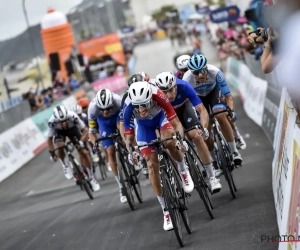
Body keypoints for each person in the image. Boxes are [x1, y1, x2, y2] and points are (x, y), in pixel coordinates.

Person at [123, 81, 194, 231]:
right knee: (151, 164)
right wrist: (132, 152)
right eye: (138, 106)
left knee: (169, 143)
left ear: (151, 98)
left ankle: (183, 170)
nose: (141, 110)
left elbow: (177, 124)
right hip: (143, 127)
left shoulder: (159, 95)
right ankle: (165, 210)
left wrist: (180, 141)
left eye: (144, 105)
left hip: (161, 118)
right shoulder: (128, 106)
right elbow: (129, 138)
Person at [155, 71, 223, 187]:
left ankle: (212, 177)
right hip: (168, 116)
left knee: (196, 135)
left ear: (176, 86)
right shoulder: (156, 98)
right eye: (165, 92)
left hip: (184, 109)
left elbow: (202, 110)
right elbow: (156, 122)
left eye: (171, 90)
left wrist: (204, 128)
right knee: (169, 142)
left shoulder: (184, 86)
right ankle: (181, 171)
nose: (169, 95)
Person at [183, 54, 245, 172]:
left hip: (213, 92)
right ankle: (214, 160)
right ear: (191, 72)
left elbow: (228, 96)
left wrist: (231, 111)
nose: (200, 75)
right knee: (204, 128)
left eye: (202, 71)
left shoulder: (215, 72)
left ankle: (234, 152)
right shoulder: (186, 79)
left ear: (206, 68)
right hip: (198, 99)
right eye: (196, 73)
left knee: (220, 114)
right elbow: (188, 104)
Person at [47, 106, 100, 191]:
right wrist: (52, 152)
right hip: (59, 132)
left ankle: (91, 178)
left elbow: (85, 130)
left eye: (65, 120)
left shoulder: (73, 116)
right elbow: (49, 139)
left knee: (85, 153)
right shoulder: (52, 121)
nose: (63, 123)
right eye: (61, 122)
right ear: (56, 120)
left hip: (72, 130)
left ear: (68, 117)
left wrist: (81, 142)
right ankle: (65, 165)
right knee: (60, 145)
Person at [88, 89, 127, 203]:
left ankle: (131, 153)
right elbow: (91, 132)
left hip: (118, 118)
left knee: (122, 133)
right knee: (110, 152)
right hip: (104, 124)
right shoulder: (92, 108)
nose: (105, 111)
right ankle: (121, 187)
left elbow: (127, 117)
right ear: (98, 107)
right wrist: (95, 143)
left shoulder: (118, 100)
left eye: (108, 108)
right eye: (102, 109)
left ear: (112, 104)